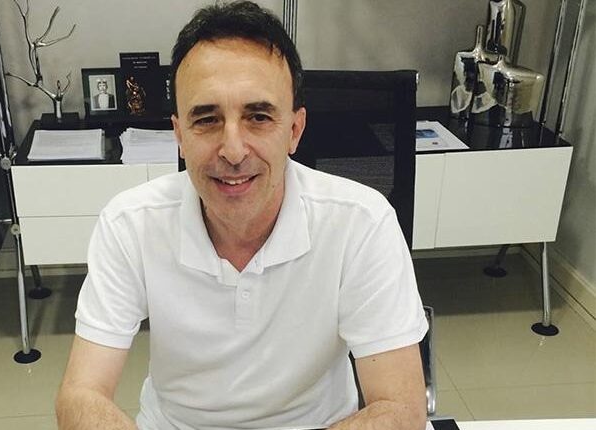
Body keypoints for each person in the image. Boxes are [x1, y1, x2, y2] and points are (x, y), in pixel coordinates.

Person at [56, 2, 428, 429]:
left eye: (258, 117)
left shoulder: (362, 222)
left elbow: (402, 409)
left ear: (294, 130)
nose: (233, 151)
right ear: (179, 136)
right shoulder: (130, 224)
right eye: (206, 119)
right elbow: (80, 395)